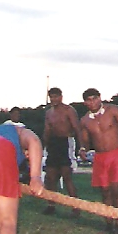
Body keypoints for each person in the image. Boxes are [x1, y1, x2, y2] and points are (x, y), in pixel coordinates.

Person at [77, 88, 118, 233]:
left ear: (99, 98)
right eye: (89, 100)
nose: (92, 102)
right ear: (85, 103)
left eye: (94, 98)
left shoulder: (113, 110)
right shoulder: (84, 120)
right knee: (104, 190)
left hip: (116, 153)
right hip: (100, 157)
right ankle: (108, 222)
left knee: (116, 190)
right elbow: (85, 141)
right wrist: (82, 149)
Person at [41, 87, 81, 216]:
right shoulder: (49, 113)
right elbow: (47, 130)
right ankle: (51, 204)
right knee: (50, 176)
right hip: (53, 144)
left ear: (61, 97)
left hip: (66, 142)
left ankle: (75, 207)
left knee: (66, 175)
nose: (54, 99)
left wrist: (82, 146)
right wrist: (43, 146)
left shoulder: (69, 110)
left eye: (56, 96)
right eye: (51, 97)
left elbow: (77, 128)